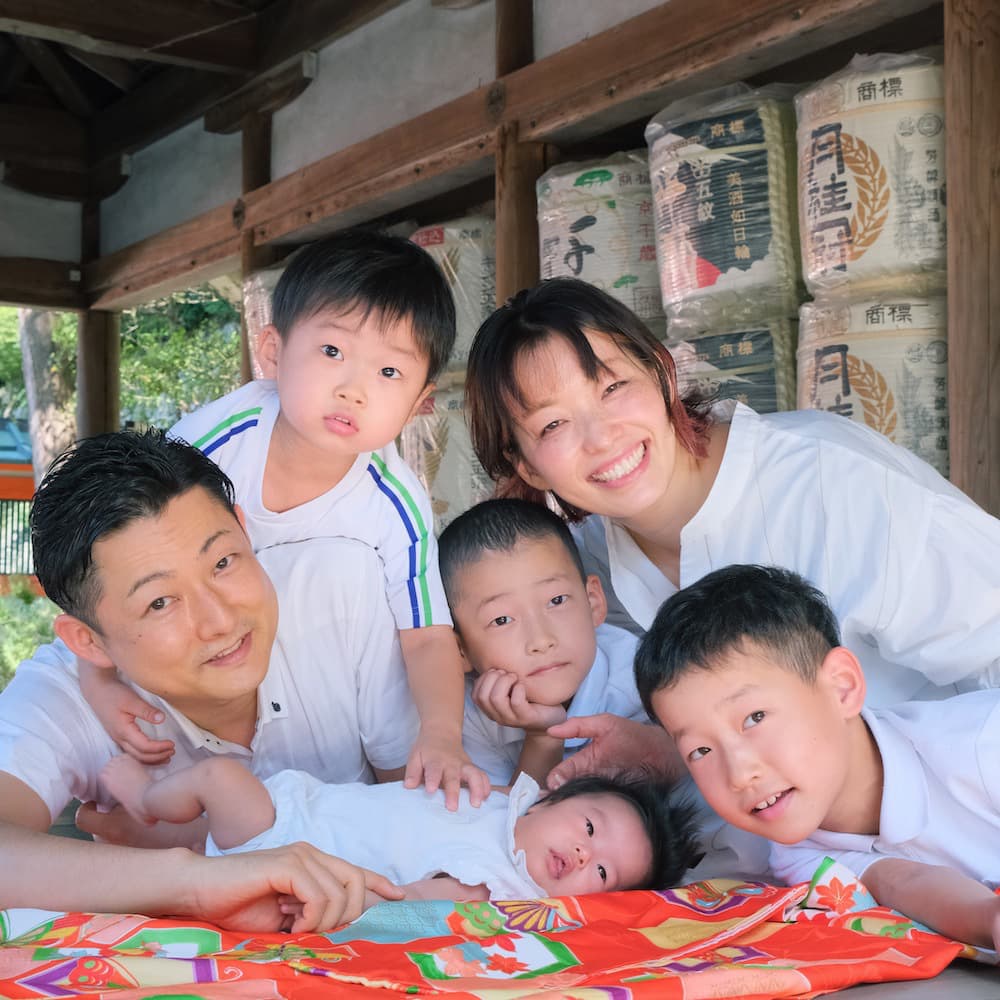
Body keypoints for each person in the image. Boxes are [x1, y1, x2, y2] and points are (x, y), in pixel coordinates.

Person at [463, 276, 1000, 792]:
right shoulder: (580, 568)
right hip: (788, 869)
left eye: (614, 387)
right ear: (527, 467)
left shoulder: (830, 481)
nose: (601, 438)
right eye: (553, 425)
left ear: (661, 371)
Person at [81, 229, 487, 809]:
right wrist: (96, 681)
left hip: (321, 693)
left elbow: (426, 637)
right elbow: (106, 547)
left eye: (389, 374)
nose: (353, 390)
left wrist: (443, 737)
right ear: (272, 352)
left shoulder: (396, 503)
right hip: (202, 663)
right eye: (332, 352)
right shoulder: (210, 445)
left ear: (422, 402)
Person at [0, 428, 418, 922]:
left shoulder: (340, 591)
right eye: (160, 602)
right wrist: (196, 883)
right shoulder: (61, 694)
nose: (220, 620)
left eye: (223, 562)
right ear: (88, 642)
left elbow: (425, 808)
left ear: (244, 529)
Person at [633, 564, 1000, 952]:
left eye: (754, 718)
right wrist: (989, 919)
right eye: (700, 751)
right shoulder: (798, 857)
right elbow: (903, 883)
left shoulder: (981, 742)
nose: (740, 774)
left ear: (842, 688)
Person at [101, 754, 700, 904]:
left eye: (603, 872)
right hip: (302, 812)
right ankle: (130, 829)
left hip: (290, 855)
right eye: (589, 826)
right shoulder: (502, 803)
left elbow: (413, 902)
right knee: (198, 838)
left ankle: (148, 801)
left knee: (222, 778)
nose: (581, 851)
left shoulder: (492, 884)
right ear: (548, 799)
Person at [438, 498, 655, 786]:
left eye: (556, 600)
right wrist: (542, 739)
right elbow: (505, 825)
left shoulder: (642, 679)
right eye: (502, 620)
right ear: (460, 650)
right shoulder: (460, 719)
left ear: (593, 603)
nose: (541, 640)